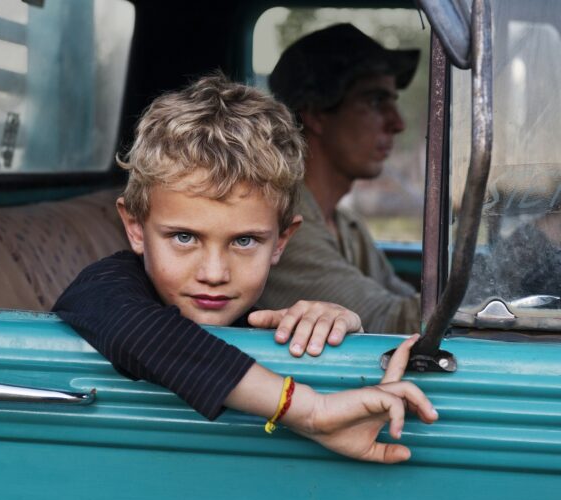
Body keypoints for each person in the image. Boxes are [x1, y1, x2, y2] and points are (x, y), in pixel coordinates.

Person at [54, 74, 437, 463]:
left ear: (282, 242)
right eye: (184, 238)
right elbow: (141, 331)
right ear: (135, 227)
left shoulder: (251, 318)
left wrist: (336, 331)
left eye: (244, 241)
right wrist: (310, 411)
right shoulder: (104, 288)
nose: (215, 273)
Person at [259, 23, 422, 334]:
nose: (397, 123)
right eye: (376, 101)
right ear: (317, 114)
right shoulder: (283, 223)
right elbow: (390, 320)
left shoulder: (348, 225)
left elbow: (401, 298)